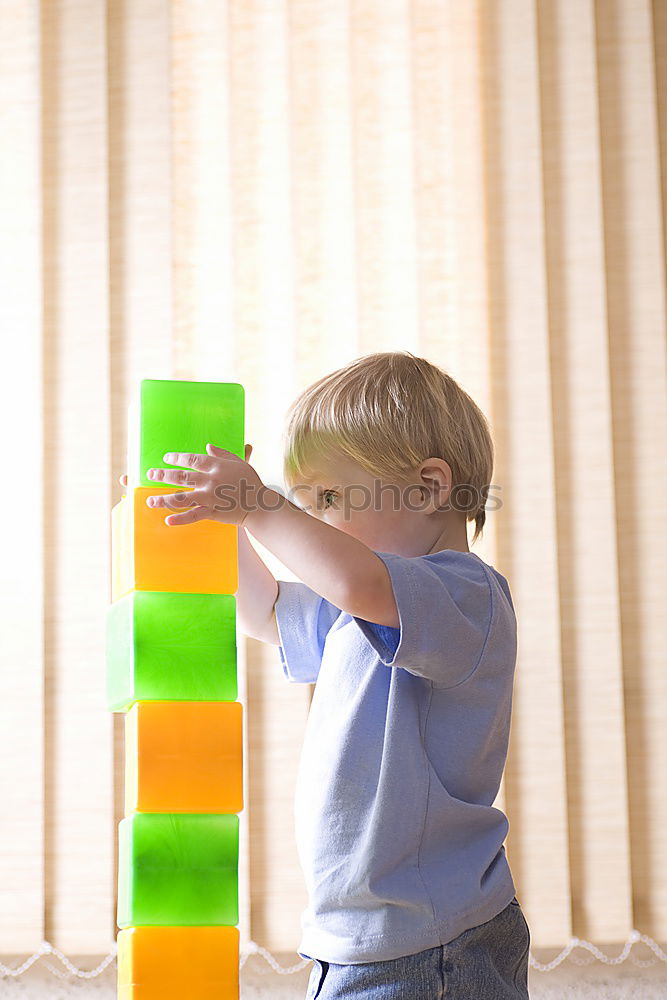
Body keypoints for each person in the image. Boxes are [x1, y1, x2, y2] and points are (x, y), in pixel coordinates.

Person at [140, 350, 531, 999]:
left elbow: (355, 578)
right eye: (303, 504)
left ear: (429, 488)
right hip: (359, 927)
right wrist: (220, 518)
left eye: (325, 498)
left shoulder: (464, 595)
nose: (309, 521)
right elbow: (263, 610)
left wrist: (259, 507)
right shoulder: (355, 611)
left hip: (432, 938)